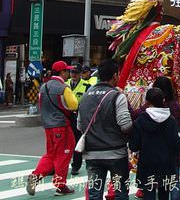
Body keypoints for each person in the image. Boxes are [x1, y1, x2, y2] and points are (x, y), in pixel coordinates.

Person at [77, 59, 133, 200]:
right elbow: (125, 125)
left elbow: (79, 125)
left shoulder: (85, 96)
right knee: (120, 192)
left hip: (92, 154)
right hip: (116, 153)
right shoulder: (117, 96)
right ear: (115, 76)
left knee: (95, 193)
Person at [27, 60, 79, 196]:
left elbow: (40, 105)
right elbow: (74, 105)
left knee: (51, 154)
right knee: (64, 154)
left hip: (48, 127)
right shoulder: (63, 88)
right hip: (62, 126)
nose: (68, 73)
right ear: (62, 72)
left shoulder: (43, 87)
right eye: (67, 71)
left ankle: (35, 176)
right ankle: (60, 186)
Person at [130, 88, 180, 200]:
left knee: (149, 194)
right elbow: (178, 143)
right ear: (163, 101)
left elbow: (134, 145)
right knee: (164, 194)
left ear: (147, 102)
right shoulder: (170, 120)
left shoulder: (141, 120)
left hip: (147, 164)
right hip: (166, 164)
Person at [152, 76, 180, 200]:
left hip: (156, 151)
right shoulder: (176, 107)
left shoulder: (151, 108)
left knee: (159, 184)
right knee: (174, 182)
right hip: (173, 150)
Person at [67, 63, 89, 176]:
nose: (73, 74)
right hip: (65, 117)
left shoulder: (86, 86)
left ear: (81, 73)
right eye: (72, 72)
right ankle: (58, 165)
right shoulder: (64, 84)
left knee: (77, 143)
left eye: (76, 72)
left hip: (79, 117)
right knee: (63, 143)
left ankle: (76, 165)